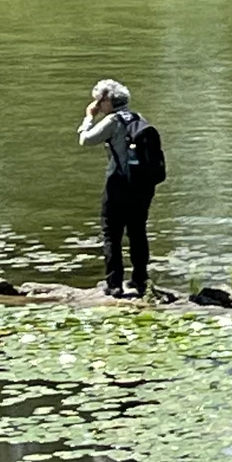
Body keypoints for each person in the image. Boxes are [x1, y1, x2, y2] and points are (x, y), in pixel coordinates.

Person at [77, 78, 157, 298]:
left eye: (98, 101)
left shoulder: (113, 121)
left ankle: (114, 284)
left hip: (118, 186)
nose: (96, 104)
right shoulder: (139, 118)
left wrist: (89, 117)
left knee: (111, 233)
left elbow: (86, 140)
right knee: (137, 231)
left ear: (107, 101)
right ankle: (141, 280)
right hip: (142, 187)